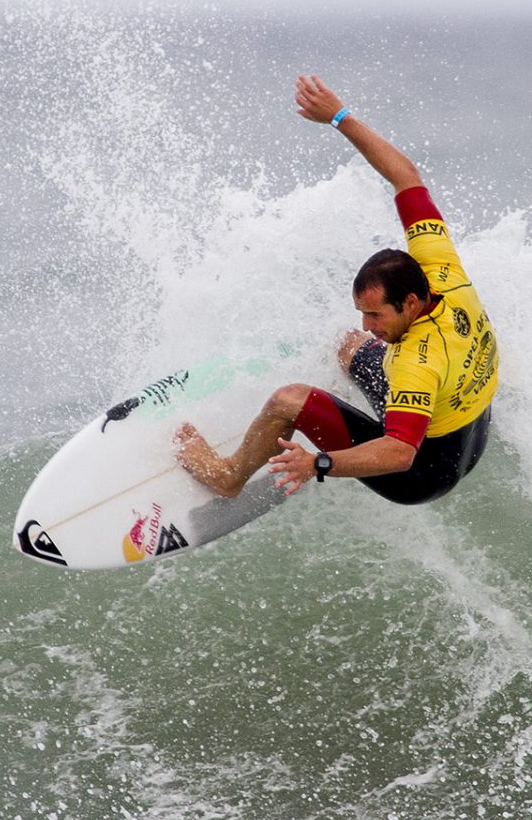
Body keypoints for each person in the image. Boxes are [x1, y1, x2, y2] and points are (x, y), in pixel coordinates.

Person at [175, 75, 497, 505]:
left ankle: (228, 475)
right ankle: (347, 403)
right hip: (471, 433)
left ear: (412, 302)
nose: (367, 324)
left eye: (377, 315)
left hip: (421, 473)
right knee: (350, 346)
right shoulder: (441, 267)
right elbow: (406, 177)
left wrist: (317, 464)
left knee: (288, 400)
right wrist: (339, 117)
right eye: (364, 312)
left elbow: (401, 453)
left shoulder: (417, 365)